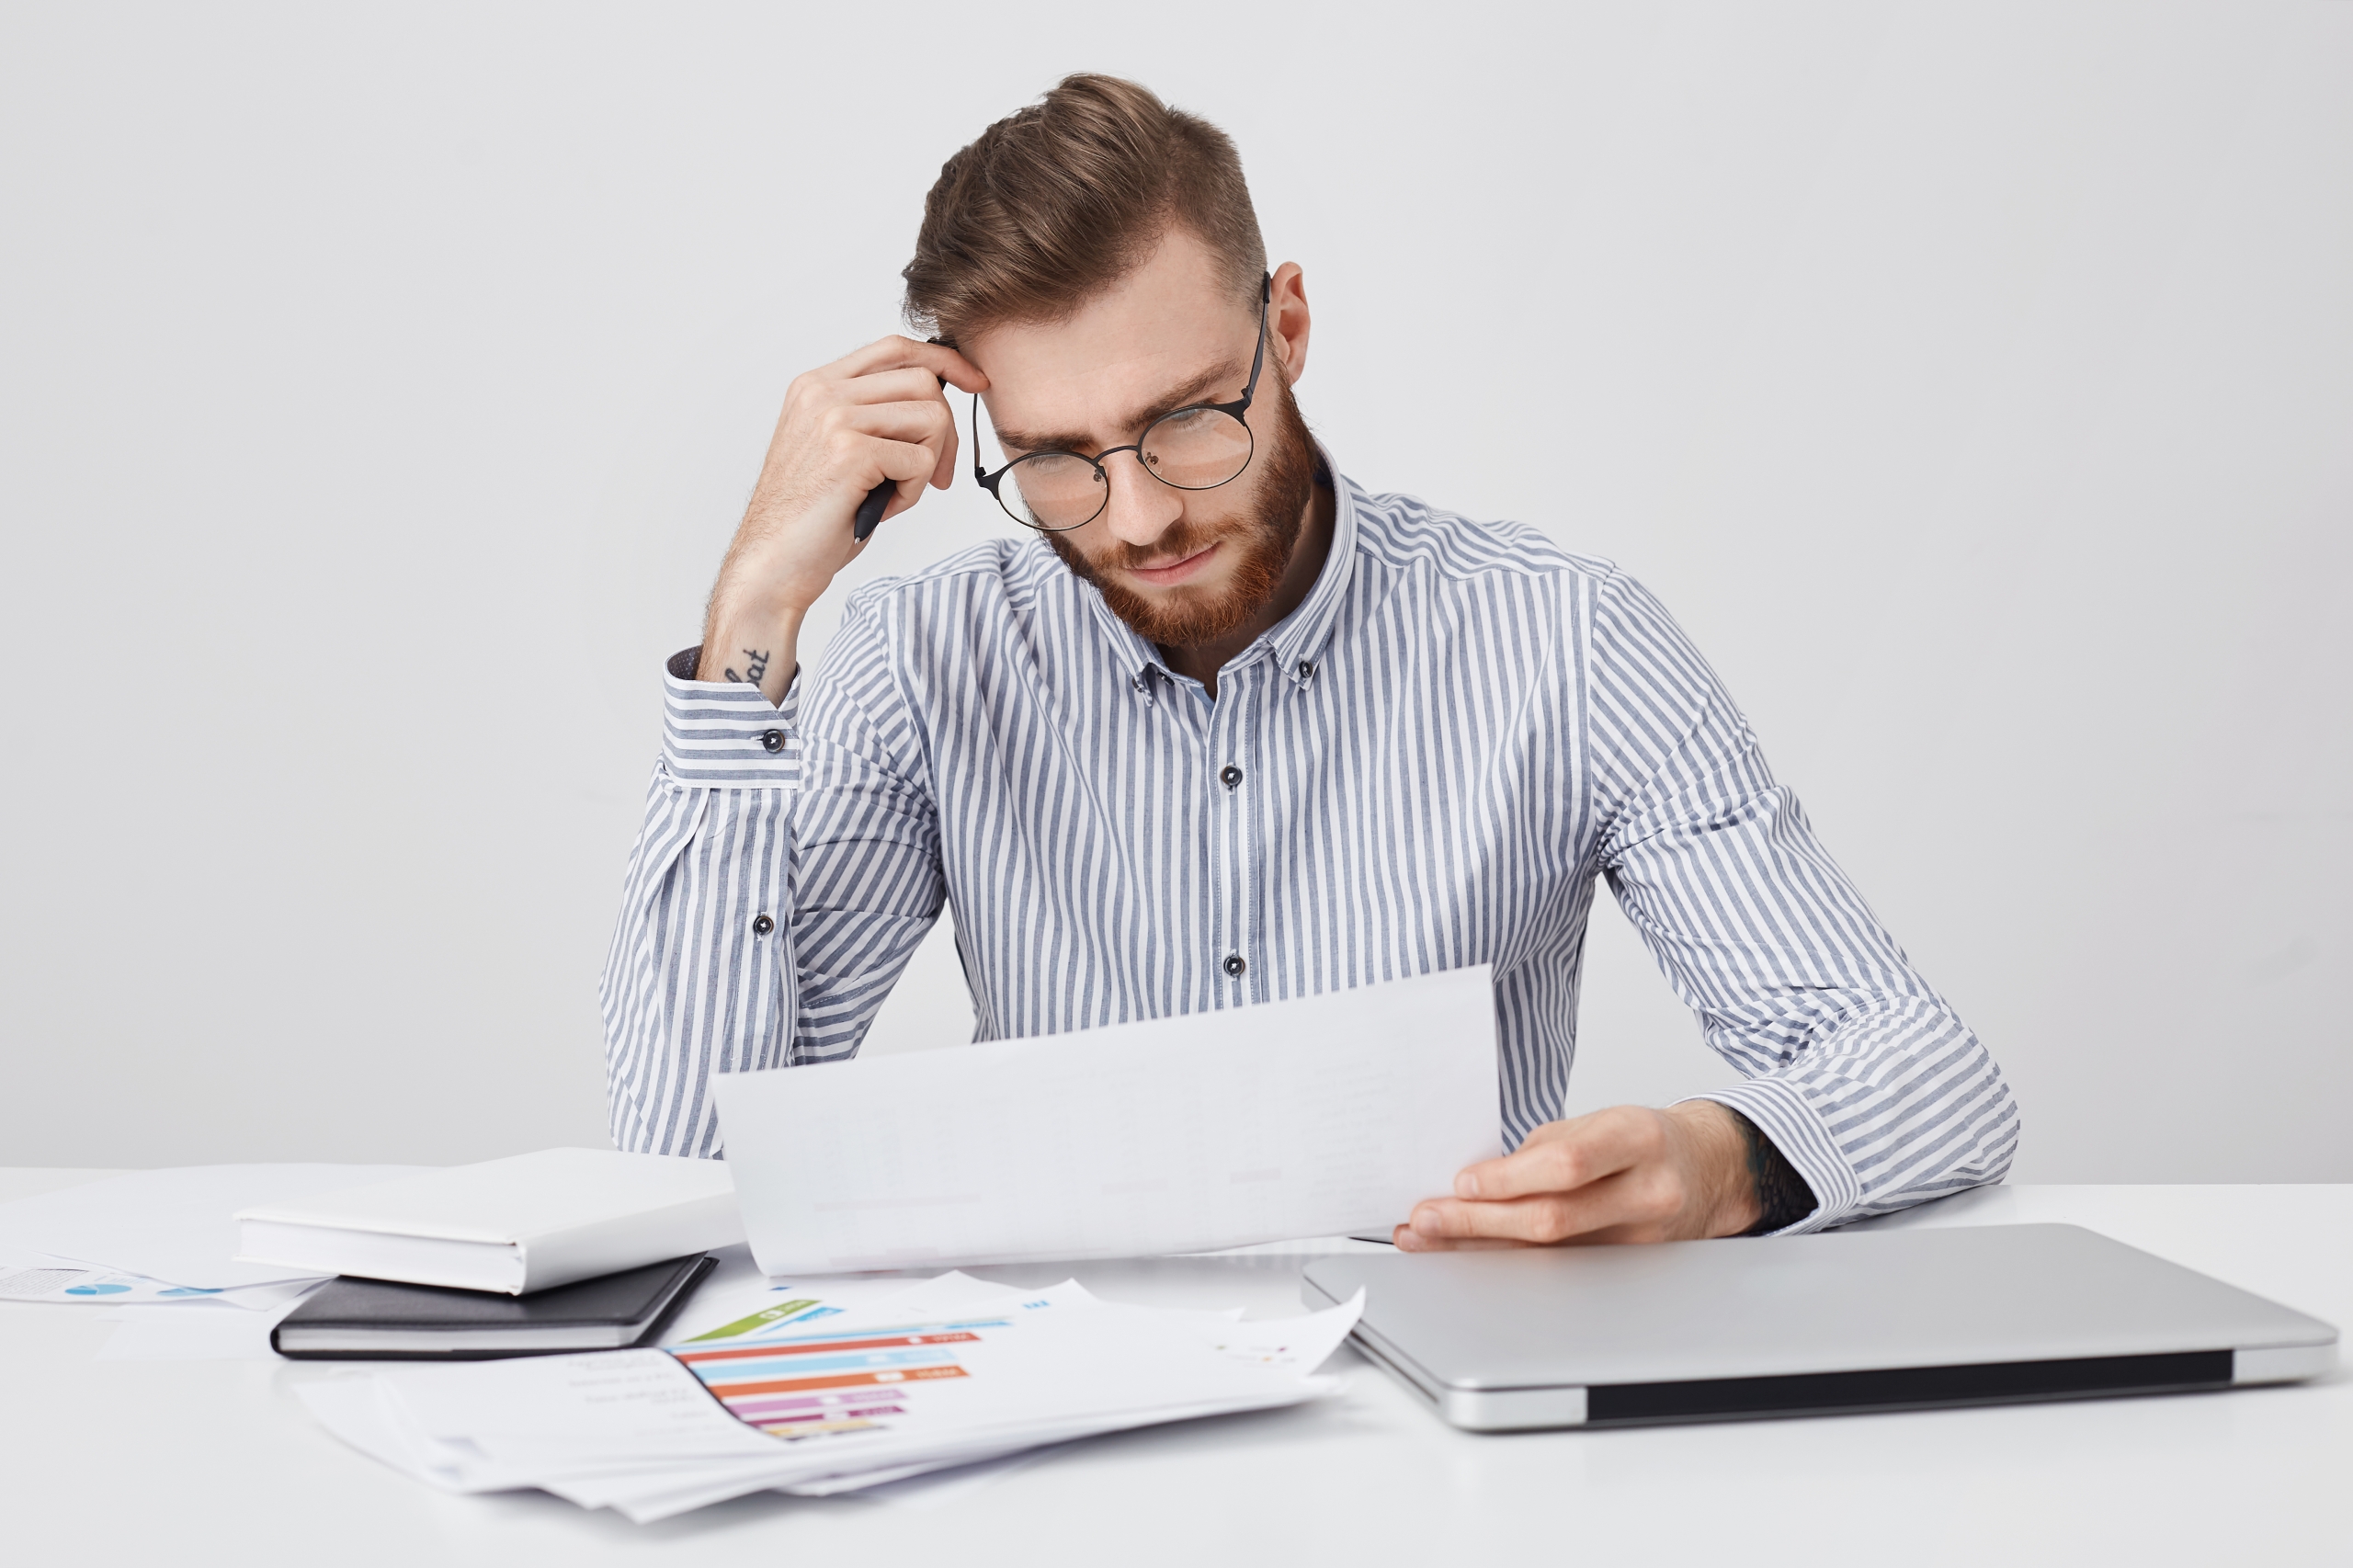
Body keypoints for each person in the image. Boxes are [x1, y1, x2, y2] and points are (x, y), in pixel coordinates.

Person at [600, 74, 2018, 1246]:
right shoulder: (925, 658)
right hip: (1058, 1424)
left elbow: (1929, 1075)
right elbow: (680, 1159)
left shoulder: (1564, 639)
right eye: (1055, 460)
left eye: (1187, 420)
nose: (1142, 515)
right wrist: (753, 614)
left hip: (1453, 1422)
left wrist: (1726, 1162)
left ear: (1285, 326)